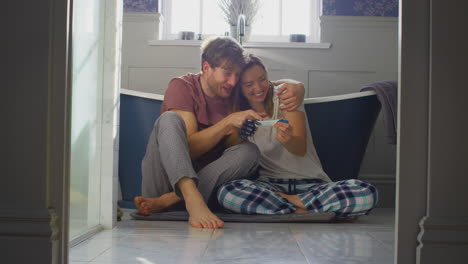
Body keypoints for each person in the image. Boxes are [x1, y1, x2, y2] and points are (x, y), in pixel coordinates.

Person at [134, 37, 305, 229]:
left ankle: (175, 201)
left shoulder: (233, 94)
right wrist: (227, 123)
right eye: (227, 73)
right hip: (163, 184)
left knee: (248, 151)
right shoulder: (182, 87)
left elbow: (260, 85)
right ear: (207, 68)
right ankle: (188, 197)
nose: (232, 81)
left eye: (237, 75)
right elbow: (188, 150)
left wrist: (297, 86)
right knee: (169, 120)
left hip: (204, 192)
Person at [217, 55, 378, 219]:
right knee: (227, 193)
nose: (258, 88)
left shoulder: (285, 97)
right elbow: (231, 148)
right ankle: (309, 210)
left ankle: (288, 206)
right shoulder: (238, 113)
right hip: (269, 186)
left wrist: (288, 140)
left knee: (366, 192)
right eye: (249, 84)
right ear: (240, 88)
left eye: (262, 79)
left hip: (312, 185)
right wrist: (239, 130)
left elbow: (300, 148)